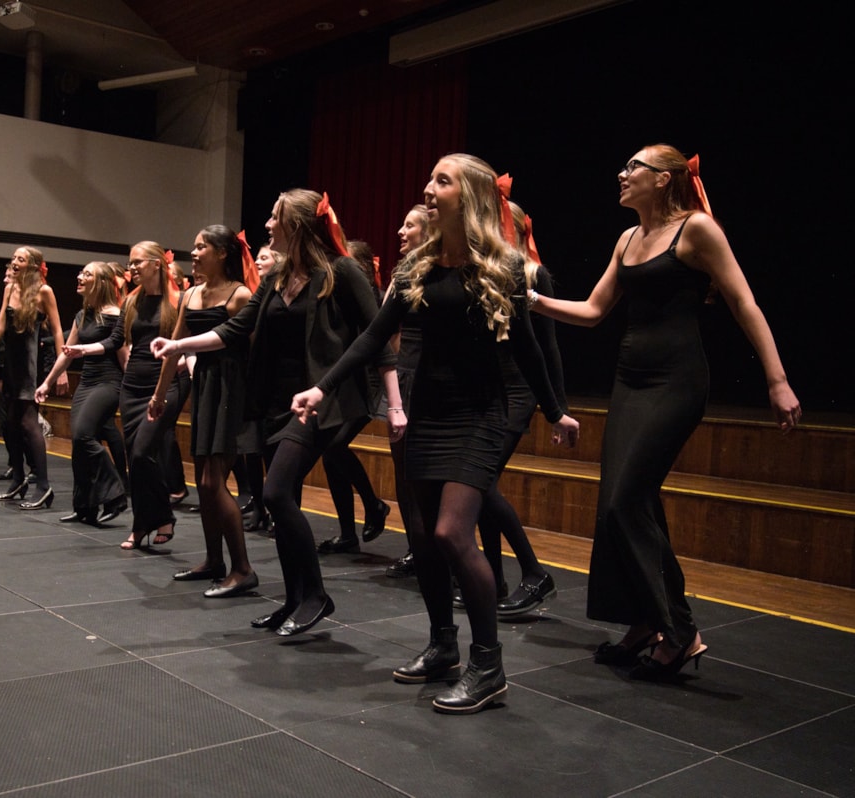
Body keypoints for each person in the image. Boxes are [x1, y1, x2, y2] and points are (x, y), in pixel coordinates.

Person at [293, 154, 579, 714]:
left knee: (451, 532)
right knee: (422, 536)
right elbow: (373, 337)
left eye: (441, 181)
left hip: (482, 415)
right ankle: (443, 644)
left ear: (467, 196)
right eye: (429, 178)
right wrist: (322, 388)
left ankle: (489, 663)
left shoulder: (503, 269)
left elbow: (527, 348)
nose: (428, 188)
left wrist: (554, 410)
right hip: (429, 412)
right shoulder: (416, 269)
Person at [529, 145, 801, 680]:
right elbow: (592, 311)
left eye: (634, 167)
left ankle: (679, 631)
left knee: (627, 501)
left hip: (677, 381)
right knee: (618, 502)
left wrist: (777, 379)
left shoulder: (697, 230)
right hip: (629, 383)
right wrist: (530, 300)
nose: (622, 174)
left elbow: (745, 302)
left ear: (666, 179)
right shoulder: (627, 239)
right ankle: (643, 623)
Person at [152, 190, 395, 637]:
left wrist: (391, 404)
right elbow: (237, 328)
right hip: (271, 404)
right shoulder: (279, 276)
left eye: (274, 217)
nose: (266, 224)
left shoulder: (339, 271)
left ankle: (317, 595)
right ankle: (293, 600)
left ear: (298, 224)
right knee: (285, 503)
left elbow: (377, 333)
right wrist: (180, 344)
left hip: (318, 404)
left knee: (277, 493)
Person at [466, 199, 565, 616]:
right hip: (489, 387)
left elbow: (548, 347)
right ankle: (496, 576)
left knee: (481, 482)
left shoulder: (532, 273)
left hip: (520, 389)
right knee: (481, 485)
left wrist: (555, 407)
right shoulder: (484, 270)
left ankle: (534, 572)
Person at [149, 226, 259, 597]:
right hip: (206, 388)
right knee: (203, 483)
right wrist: (159, 395)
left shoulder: (240, 295)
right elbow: (175, 349)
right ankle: (215, 562)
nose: (194, 253)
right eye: (194, 246)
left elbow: (255, 353)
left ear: (224, 252)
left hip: (232, 389)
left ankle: (243, 569)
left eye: (202, 247)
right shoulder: (191, 293)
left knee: (214, 483)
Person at [65, 242, 183, 549]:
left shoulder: (179, 300)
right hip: (132, 386)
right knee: (137, 459)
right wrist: (82, 349)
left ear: (157, 264)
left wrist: (187, 360)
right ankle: (142, 523)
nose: (131, 268)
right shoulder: (132, 300)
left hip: (166, 383)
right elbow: (116, 339)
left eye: (137, 263)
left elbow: (188, 340)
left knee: (143, 453)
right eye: (129, 263)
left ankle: (162, 516)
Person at [35, 261, 128, 525]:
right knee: (79, 446)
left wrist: (134, 391)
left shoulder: (116, 315)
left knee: (84, 435)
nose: (80, 276)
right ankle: (84, 506)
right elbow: (66, 354)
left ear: (100, 282)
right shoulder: (82, 314)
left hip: (108, 384)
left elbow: (124, 357)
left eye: (87, 274)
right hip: (86, 383)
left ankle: (116, 494)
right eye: (81, 272)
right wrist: (47, 382)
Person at [316, 239, 390, 555]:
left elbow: (373, 340)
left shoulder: (365, 293)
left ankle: (374, 504)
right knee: (330, 454)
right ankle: (347, 533)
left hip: (367, 380)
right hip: (341, 381)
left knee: (334, 446)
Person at [0, 246, 66, 510]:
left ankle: (43, 485)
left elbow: (58, 330)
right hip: (11, 366)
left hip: (31, 366)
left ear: (34, 265)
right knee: (10, 424)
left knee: (29, 424)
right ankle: (18, 478)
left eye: (21, 258)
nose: (15, 261)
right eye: (14, 258)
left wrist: (60, 370)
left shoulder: (44, 292)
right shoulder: (9, 289)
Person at [385, 205, 432, 580]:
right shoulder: (403, 271)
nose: (401, 231)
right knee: (402, 471)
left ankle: (435, 552)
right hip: (404, 375)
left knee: (423, 474)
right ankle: (417, 548)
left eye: (409, 225)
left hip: (429, 377)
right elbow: (383, 323)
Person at [233, 244, 282, 534]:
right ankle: (258, 505)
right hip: (251, 378)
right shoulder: (257, 293)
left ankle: (276, 510)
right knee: (251, 448)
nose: (259, 261)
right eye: (259, 257)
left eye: (265, 257)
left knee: (271, 449)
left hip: (274, 378)